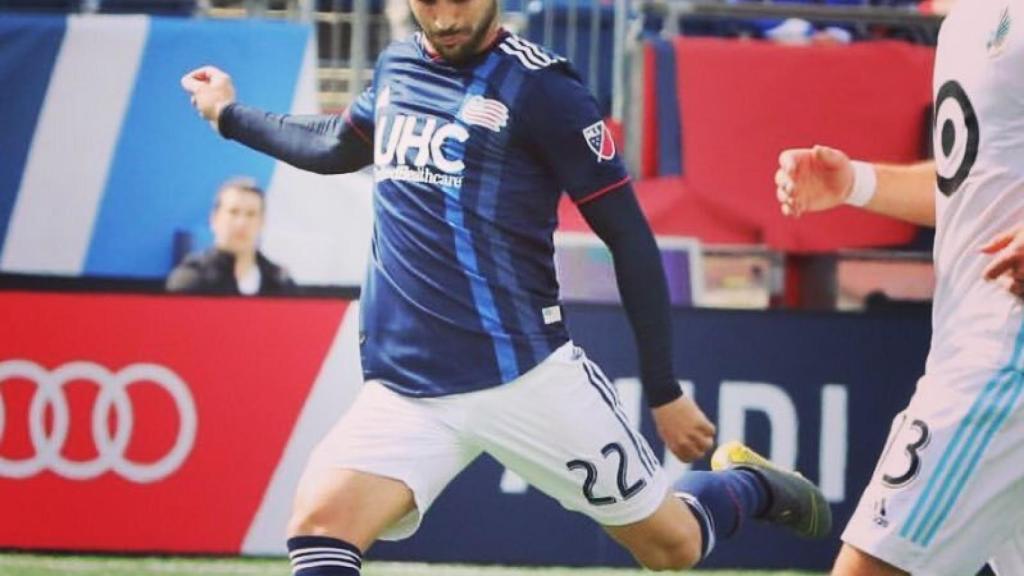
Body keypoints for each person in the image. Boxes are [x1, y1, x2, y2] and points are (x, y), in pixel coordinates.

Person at [181, 0, 831, 572]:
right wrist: (230, 115)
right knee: (320, 527)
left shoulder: (545, 89)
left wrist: (662, 389)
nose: (444, 17)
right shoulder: (398, 67)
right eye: (427, 1)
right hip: (408, 389)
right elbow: (335, 146)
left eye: (459, 0)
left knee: (672, 549)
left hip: (525, 379)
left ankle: (751, 486)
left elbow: (630, 237)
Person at [773, 2, 1024, 574]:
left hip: (1001, 359)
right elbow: (974, 185)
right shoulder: (966, 23)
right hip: (973, 346)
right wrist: (856, 182)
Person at [166, 177, 296, 296]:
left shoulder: (279, 281)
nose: (241, 223)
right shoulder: (190, 279)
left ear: (262, 222)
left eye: (251, 214)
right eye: (233, 212)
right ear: (214, 219)